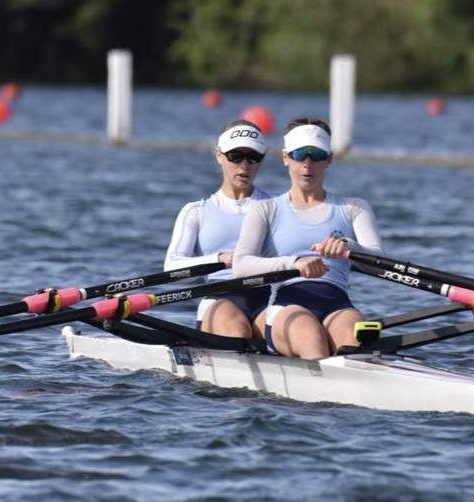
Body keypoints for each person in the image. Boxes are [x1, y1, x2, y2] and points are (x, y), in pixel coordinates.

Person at [232, 117, 384, 359]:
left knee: (356, 344)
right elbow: (240, 265)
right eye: (300, 154)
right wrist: (294, 264)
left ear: (329, 159)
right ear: (285, 158)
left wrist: (350, 246)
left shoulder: (355, 207)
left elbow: (379, 259)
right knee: (312, 340)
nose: (307, 164)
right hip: (286, 305)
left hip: (337, 305)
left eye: (316, 155)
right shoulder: (265, 209)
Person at [164, 119, 273, 338]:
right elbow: (173, 269)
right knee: (238, 331)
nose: (244, 165)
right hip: (219, 296)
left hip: (269, 296)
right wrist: (221, 259)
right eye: (236, 156)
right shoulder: (196, 211)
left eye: (253, 157)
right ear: (219, 155)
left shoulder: (277, 208)